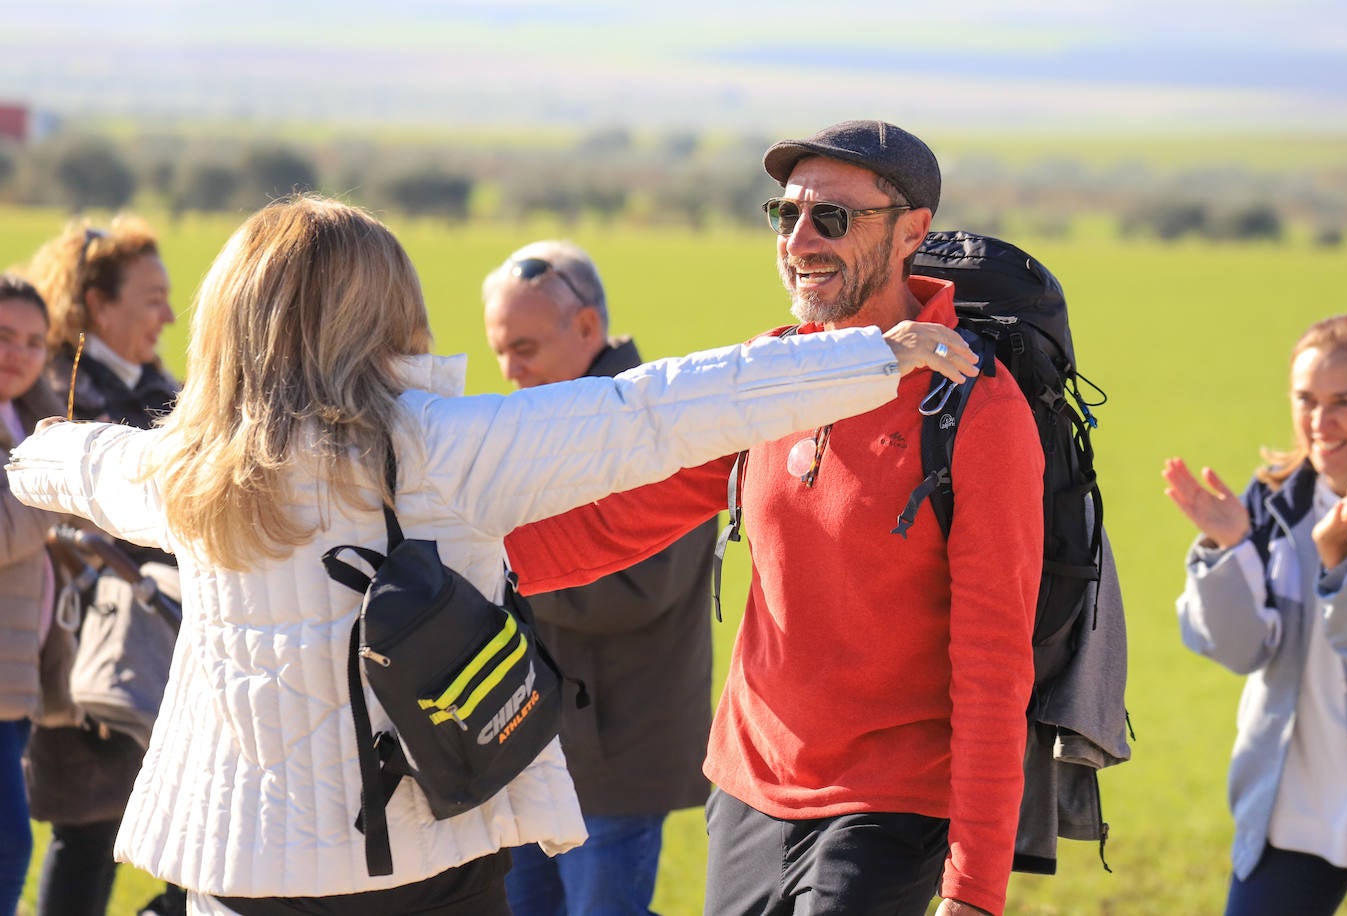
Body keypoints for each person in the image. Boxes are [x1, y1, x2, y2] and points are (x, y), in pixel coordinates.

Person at [5, 193, 974, 914]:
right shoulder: (445, 446)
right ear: (383, 311)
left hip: (235, 866)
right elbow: (657, 410)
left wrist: (22, 455)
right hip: (427, 859)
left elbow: (72, 461)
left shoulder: (185, 468)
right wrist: (872, 358)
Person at [505, 120, 1044, 916]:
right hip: (749, 788)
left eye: (833, 218)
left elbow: (995, 660)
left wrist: (974, 889)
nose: (800, 239)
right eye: (784, 214)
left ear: (912, 232)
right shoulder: (773, 369)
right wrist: (465, 558)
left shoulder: (975, 405)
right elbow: (626, 520)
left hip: (887, 805)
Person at [483, 240, 716, 915]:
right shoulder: (553, 418)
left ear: (586, 327)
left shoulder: (655, 426)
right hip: (528, 750)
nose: (510, 371)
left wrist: (496, 564)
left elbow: (634, 589)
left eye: (523, 347)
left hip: (615, 759)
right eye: (501, 351)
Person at [1164, 311, 1347, 916]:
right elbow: (1243, 650)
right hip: (1295, 806)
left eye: (1346, 401)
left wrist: (1338, 562)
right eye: (1306, 399)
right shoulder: (1272, 500)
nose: (1319, 421)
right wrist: (1230, 552)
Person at [19, 214, 185, 916]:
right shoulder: (53, 399)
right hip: (87, 643)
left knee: (183, 833)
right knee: (88, 827)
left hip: (158, 638)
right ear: (99, 304)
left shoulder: (162, 390)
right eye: (152, 299)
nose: (169, 316)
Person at [0, 275, 68, 916]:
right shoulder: (31, 443)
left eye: (32, 341)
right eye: (3, 336)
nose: (18, 353)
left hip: (15, 682)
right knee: (9, 845)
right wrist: (50, 483)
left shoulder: (24, 420)